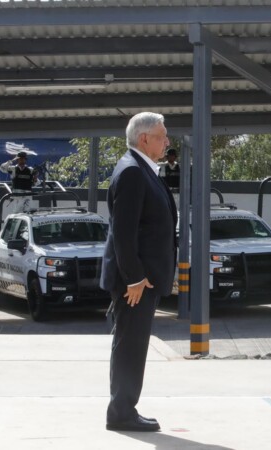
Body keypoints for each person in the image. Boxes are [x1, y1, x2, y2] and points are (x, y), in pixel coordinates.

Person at [100, 112, 177, 432]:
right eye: (162, 136)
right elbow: (123, 232)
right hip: (137, 281)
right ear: (144, 138)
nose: (167, 142)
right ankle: (121, 412)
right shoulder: (132, 171)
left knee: (132, 343)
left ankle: (123, 408)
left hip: (142, 277)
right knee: (130, 344)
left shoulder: (141, 168)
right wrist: (134, 278)